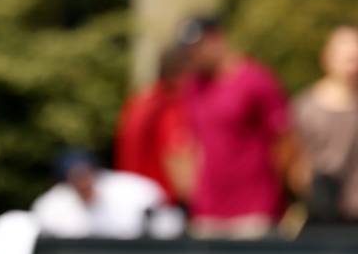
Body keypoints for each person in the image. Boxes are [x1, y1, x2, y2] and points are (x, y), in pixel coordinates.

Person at [177, 16, 295, 239]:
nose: (192, 55)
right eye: (188, 50)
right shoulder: (192, 87)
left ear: (217, 39)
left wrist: (277, 191)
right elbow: (189, 143)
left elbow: (285, 139)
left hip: (255, 212)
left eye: (197, 47)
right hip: (207, 214)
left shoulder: (255, 80)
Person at [31, 149, 181, 239]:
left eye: (86, 174)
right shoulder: (50, 207)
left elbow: (168, 224)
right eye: (76, 177)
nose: (83, 181)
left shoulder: (132, 190)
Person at [293, 25, 358, 222]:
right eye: (347, 58)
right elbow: (295, 166)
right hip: (323, 216)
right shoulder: (305, 107)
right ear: (327, 58)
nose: (352, 66)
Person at [114, 45, 195, 205]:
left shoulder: (139, 102)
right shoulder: (170, 108)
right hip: (163, 206)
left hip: (132, 201)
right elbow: (179, 162)